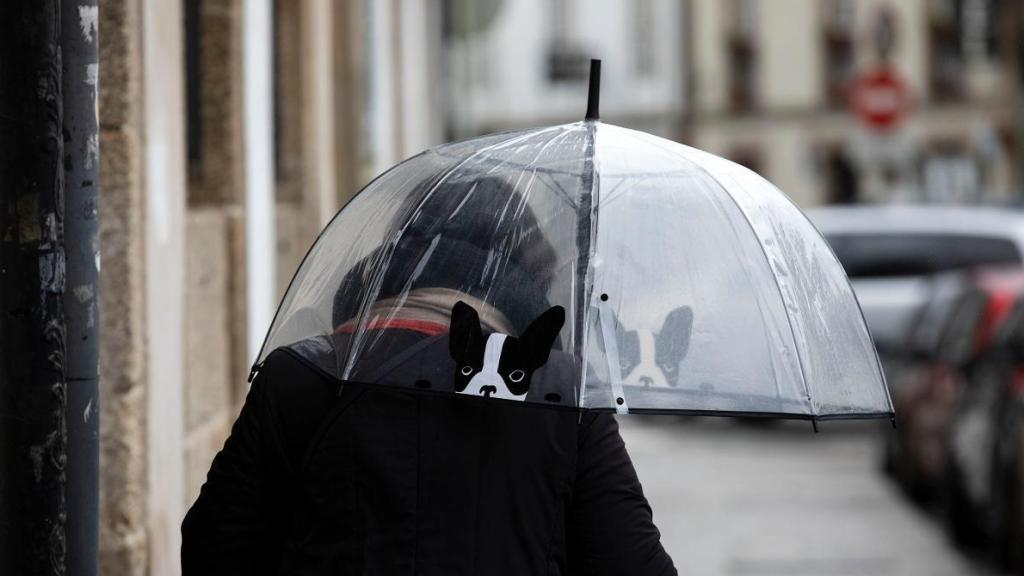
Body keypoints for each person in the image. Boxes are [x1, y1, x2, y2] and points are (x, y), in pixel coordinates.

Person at [181, 174, 677, 575]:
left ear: (397, 259)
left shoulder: (302, 377)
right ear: (529, 279)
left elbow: (214, 550)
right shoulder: (561, 397)